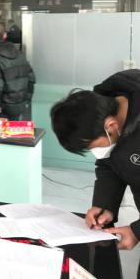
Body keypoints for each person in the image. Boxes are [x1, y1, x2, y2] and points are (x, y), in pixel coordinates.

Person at [51, 69, 140, 262]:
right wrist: (105, 205)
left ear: (111, 125)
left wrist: (137, 231)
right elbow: (110, 163)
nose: (96, 153)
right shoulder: (102, 110)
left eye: (93, 146)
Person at [0, 22, 35, 120]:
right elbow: (31, 78)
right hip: (18, 105)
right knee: (13, 128)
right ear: (5, 35)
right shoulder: (19, 53)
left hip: (1, 109)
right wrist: (26, 100)